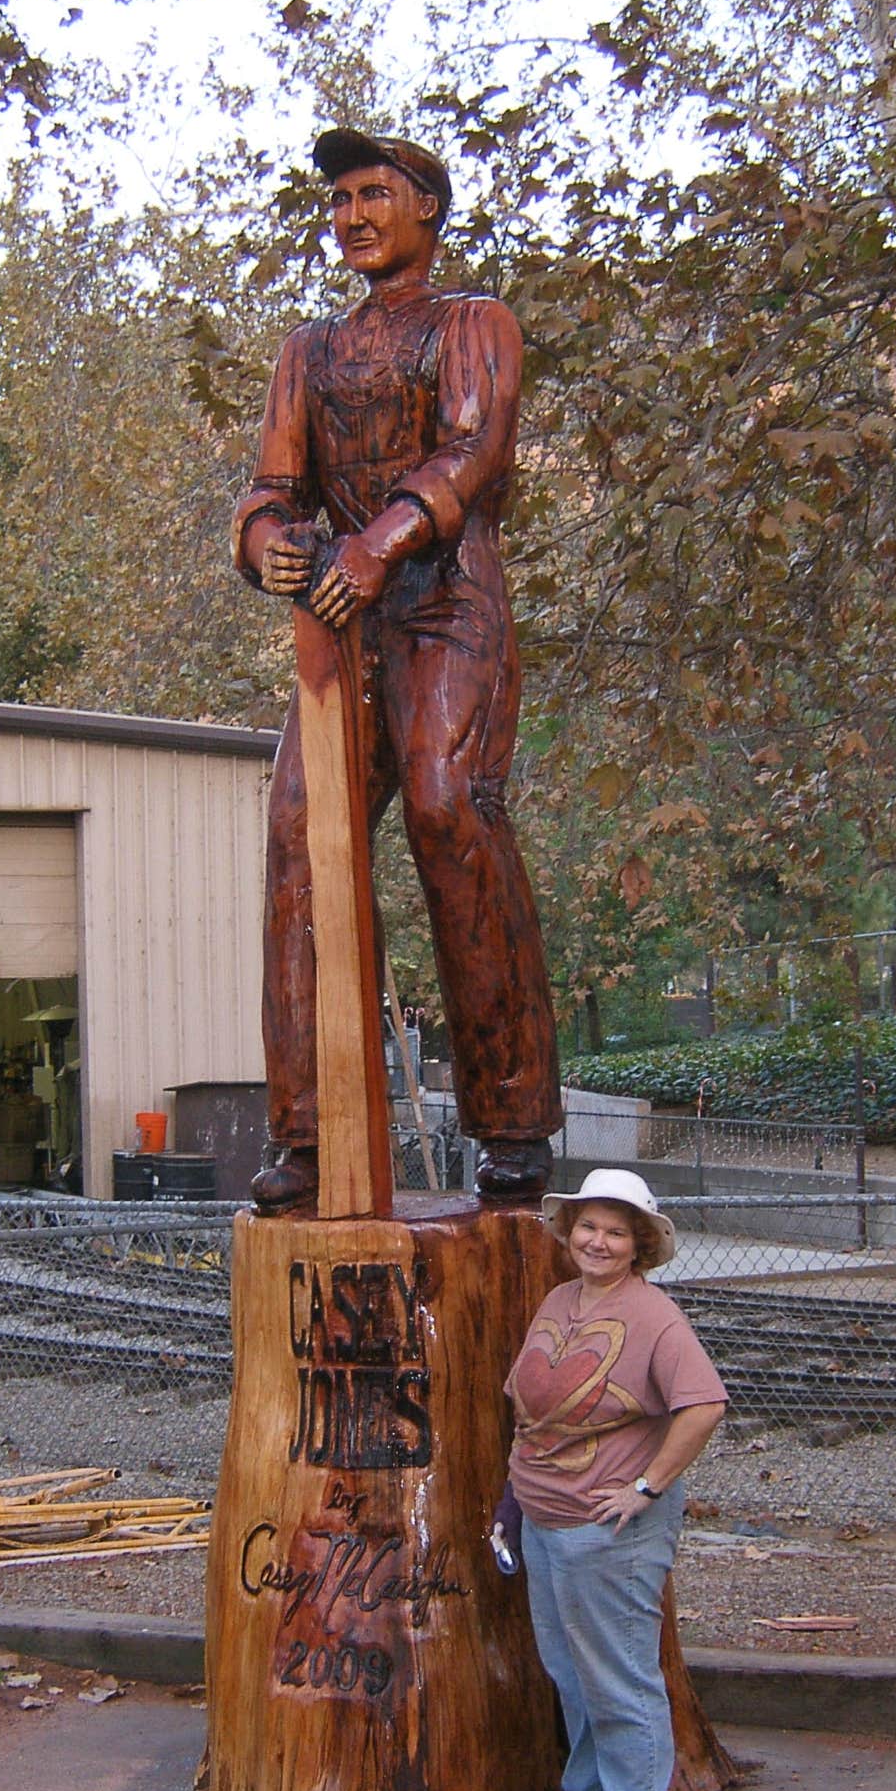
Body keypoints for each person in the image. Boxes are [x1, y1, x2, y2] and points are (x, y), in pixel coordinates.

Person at [231, 127, 563, 1213]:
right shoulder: (307, 351)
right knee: (298, 835)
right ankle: (309, 1129)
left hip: (445, 600)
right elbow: (271, 483)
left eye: (374, 193)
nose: (352, 214)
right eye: (339, 199)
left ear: (427, 207)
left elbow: (474, 451)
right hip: (342, 616)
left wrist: (380, 542)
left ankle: (512, 1122)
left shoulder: (475, 323)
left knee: (446, 806)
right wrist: (266, 539)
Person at [503, 1167, 726, 1791]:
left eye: (616, 1232)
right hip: (544, 1518)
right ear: (570, 1234)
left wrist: (646, 1487)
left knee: (620, 1678)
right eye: (588, 1227)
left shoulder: (654, 1316)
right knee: (571, 1672)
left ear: (640, 1245)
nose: (598, 1242)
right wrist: (512, 1501)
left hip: (608, 1528)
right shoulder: (561, 1299)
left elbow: (703, 1405)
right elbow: (531, 1409)